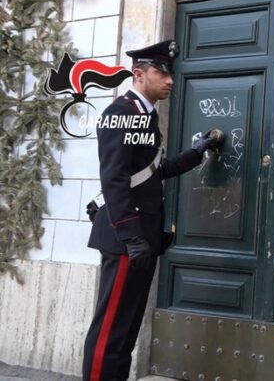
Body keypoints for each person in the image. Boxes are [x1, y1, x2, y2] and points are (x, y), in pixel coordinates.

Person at [82, 40, 220, 381]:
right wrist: (131, 235)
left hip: (140, 239)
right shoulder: (121, 113)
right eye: (162, 72)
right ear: (139, 74)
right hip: (125, 238)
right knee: (110, 328)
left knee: (127, 330)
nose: (170, 80)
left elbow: (152, 171)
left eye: (171, 73)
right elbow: (114, 178)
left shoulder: (146, 116)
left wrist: (196, 152)